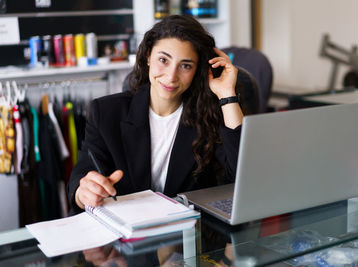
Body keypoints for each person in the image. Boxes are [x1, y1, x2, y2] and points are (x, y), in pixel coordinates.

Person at [67, 15, 243, 213]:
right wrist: (83, 193)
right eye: (163, 60)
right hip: (129, 232)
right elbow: (82, 174)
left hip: (187, 235)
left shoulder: (209, 114)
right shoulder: (106, 112)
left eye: (185, 65)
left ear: (197, 70)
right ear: (148, 56)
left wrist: (228, 94)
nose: (171, 76)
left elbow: (242, 178)